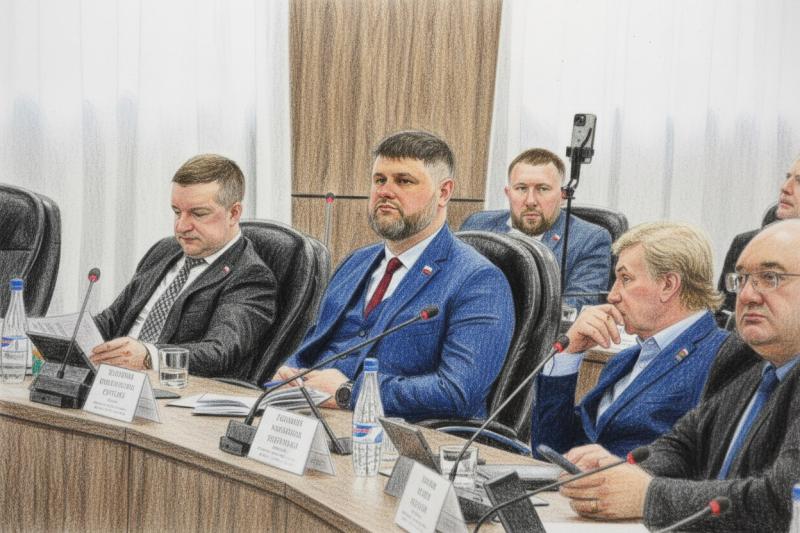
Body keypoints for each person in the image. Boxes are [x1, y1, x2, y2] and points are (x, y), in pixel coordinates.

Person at [559, 219, 800, 532]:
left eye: (770, 277)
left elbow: (781, 502)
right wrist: (617, 471)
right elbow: (683, 446)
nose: (748, 295)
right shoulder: (745, 361)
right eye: (741, 279)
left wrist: (648, 496)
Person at [272, 130, 514, 421]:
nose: (385, 191)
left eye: (404, 181)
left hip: (396, 434)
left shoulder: (479, 281)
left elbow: (456, 393)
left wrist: (351, 392)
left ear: (444, 192)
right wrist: (289, 372)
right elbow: (313, 347)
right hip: (307, 417)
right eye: (379, 180)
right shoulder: (355, 262)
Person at [531, 222, 729, 457]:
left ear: (668, 285)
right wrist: (568, 354)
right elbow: (549, 450)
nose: (612, 295)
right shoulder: (622, 362)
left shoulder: (721, 358)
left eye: (625, 278)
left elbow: (699, 463)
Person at [90, 154, 277, 379]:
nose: (181, 226)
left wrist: (149, 356)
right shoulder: (164, 250)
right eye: (177, 212)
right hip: (112, 382)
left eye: (198, 214)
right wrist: (64, 336)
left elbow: (219, 352)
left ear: (233, 213)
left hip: (170, 388)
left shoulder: (250, 275)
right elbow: (111, 321)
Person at [460, 148, 611, 311]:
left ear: (563, 196)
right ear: (508, 193)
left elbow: (574, 308)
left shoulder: (590, 240)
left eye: (542, 189)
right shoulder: (477, 225)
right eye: (521, 188)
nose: (530, 201)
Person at [716, 155, 800, 320]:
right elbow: (722, 316)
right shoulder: (747, 244)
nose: (785, 188)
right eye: (787, 177)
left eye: (799, 181)